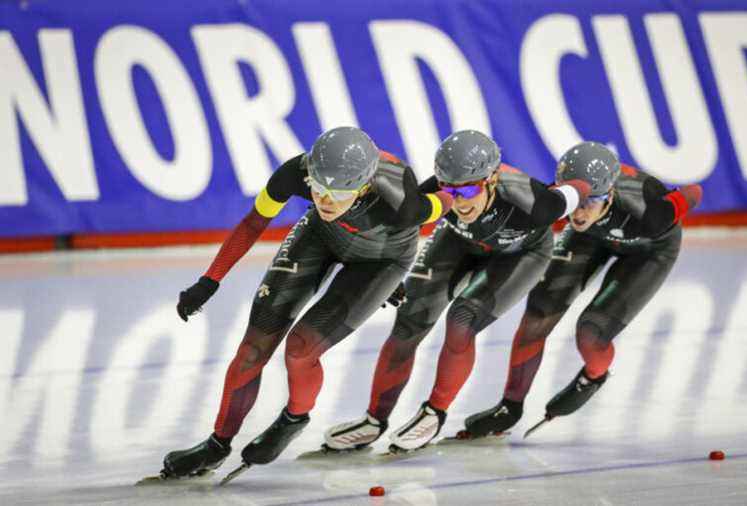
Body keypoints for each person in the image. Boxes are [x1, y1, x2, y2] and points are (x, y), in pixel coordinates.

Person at [156, 126, 453, 479]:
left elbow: (449, 196)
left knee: (300, 351)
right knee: (252, 348)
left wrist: (392, 281)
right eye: (318, 188)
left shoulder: (402, 201)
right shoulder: (295, 172)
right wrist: (210, 280)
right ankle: (217, 444)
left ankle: (294, 418)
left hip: (381, 260)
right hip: (320, 237)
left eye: (337, 193)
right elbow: (254, 223)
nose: (325, 200)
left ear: (363, 187)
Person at [322, 130, 592, 453]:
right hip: (458, 241)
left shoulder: (534, 202)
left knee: (462, 320)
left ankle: (434, 413)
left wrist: (592, 185)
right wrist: (386, 273)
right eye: (451, 190)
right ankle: (374, 420)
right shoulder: (437, 191)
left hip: (521, 254)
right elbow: (397, 226)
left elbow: (578, 189)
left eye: (468, 189)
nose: (459, 200)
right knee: (410, 317)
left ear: (492, 179)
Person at [460, 141, 703, 439]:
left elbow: (695, 191)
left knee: (591, 332)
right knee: (539, 312)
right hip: (590, 238)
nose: (579, 211)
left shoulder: (650, 213)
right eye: (577, 200)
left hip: (650, 249)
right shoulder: (567, 204)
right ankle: (510, 406)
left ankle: (594, 376)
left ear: (610, 193)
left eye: (592, 201)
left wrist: (674, 202)